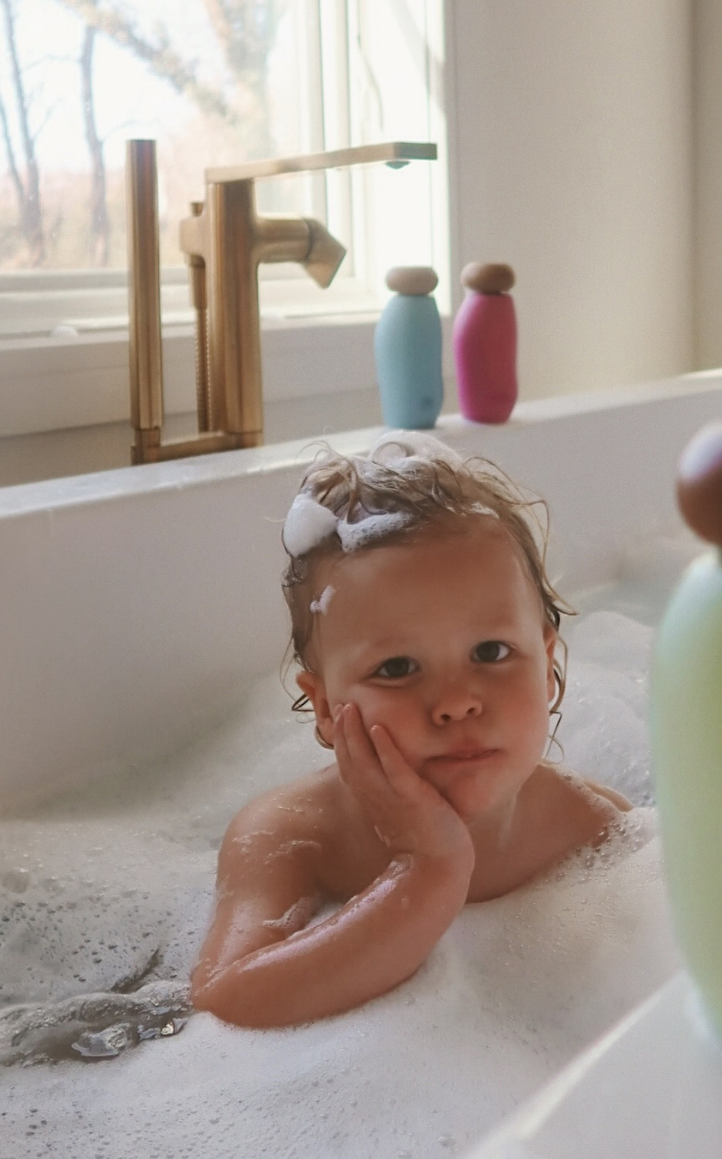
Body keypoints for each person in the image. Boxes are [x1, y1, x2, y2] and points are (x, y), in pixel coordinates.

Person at [190, 435, 630, 1027]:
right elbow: (228, 993)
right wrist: (426, 870)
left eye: (492, 651)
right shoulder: (290, 836)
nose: (454, 703)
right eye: (397, 669)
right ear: (324, 708)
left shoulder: (587, 826)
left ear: (548, 666)